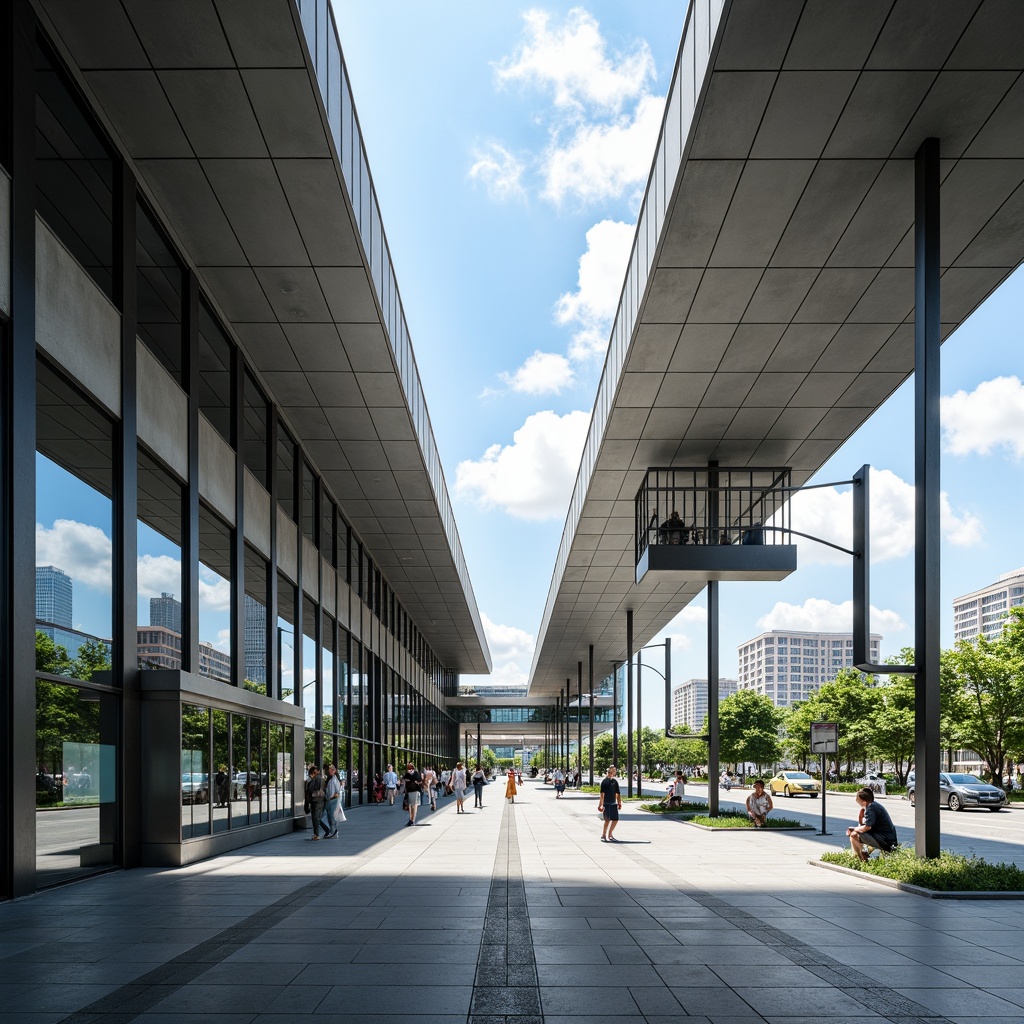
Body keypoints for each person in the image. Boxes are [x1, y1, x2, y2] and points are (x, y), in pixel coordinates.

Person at [847, 786, 898, 861]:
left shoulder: (870, 808)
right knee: (855, 833)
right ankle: (862, 854)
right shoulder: (874, 805)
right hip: (888, 839)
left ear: (863, 801)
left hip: (886, 842)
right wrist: (860, 817)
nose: (859, 804)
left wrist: (854, 829)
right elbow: (864, 826)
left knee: (853, 834)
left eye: (859, 802)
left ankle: (862, 859)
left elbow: (867, 827)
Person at [599, 765, 622, 842]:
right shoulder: (605, 782)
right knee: (607, 820)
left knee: (615, 819)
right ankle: (603, 834)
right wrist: (601, 805)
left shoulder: (615, 782)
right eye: (614, 770)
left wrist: (619, 803)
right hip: (606, 804)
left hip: (613, 803)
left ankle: (610, 834)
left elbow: (618, 793)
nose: (615, 772)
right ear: (611, 772)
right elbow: (602, 794)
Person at [304, 765, 327, 840]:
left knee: (315, 818)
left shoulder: (314, 779)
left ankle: (316, 834)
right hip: (321, 800)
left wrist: (309, 781)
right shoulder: (322, 779)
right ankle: (326, 830)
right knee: (317, 818)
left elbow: (310, 789)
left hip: (315, 800)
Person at [324, 763, 344, 838]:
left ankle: (334, 831)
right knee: (329, 816)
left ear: (334, 771)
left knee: (332, 816)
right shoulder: (330, 779)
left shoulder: (335, 779)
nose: (330, 771)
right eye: (329, 769)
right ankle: (332, 831)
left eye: (332, 769)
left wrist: (332, 798)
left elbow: (338, 791)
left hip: (333, 800)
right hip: (330, 799)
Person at [402, 762, 423, 826]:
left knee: (413, 805)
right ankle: (411, 819)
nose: (409, 769)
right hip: (410, 791)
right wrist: (413, 781)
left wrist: (411, 781)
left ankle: (412, 820)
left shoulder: (414, 774)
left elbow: (419, 781)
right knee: (411, 806)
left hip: (414, 791)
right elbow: (405, 780)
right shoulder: (409, 774)